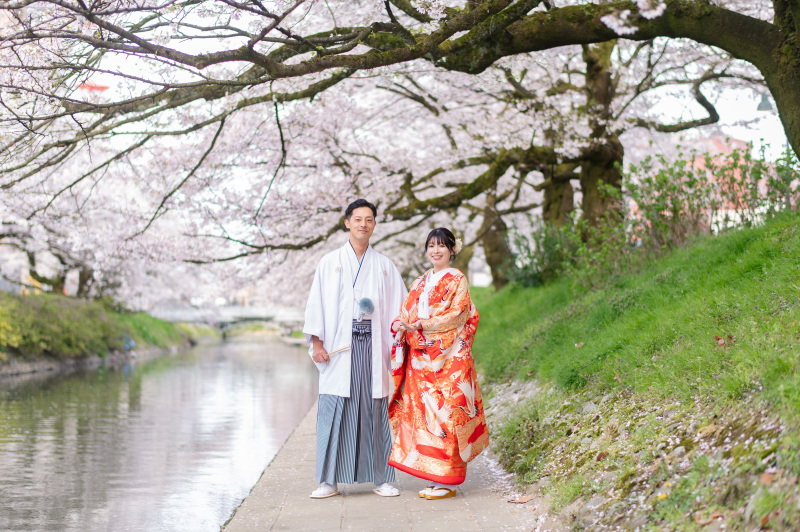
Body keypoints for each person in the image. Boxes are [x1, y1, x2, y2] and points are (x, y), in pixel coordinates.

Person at [303, 199, 408, 499]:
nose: (363, 224)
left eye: (369, 219)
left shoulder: (385, 265)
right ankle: (329, 481)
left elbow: (400, 309)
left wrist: (402, 332)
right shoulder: (329, 262)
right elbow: (316, 304)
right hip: (339, 346)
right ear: (347, 222)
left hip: (374, 346)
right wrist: (318, 343)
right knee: (335, 409)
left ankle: (381, 478)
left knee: (374, 409)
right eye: (358, 219)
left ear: (375, 225)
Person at [387, 227, 489, 500]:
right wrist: (401, 324)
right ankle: (435, 475)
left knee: (447, 416)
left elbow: (458, 315)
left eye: (442, 246)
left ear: (452, 250)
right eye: (431, 245)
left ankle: (449, 479)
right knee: (426, 418)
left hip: (447, 358)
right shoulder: (420, 281)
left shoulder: (457, 279)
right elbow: (406, 311)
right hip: (421, 360)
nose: (435, 250)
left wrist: (421, 324)